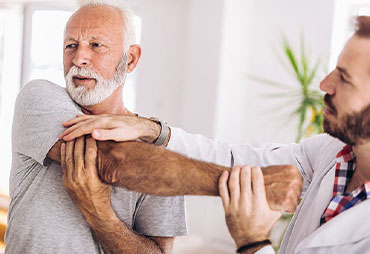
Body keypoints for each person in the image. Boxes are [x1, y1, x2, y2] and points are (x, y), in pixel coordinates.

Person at [57, 15, 370, 253]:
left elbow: (115, 161)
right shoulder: (332, 153)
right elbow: (236, 159)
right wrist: (154, 131)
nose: (325, 85)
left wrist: (253, 243)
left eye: (344, 79)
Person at [5, 1, 188, 253]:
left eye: (96, 45)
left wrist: (101, 215)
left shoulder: (160, 150)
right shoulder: (38, 98)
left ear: (130, 59)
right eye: (71, 45)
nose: (79, 58)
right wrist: (165, 148)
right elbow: (104, 159)